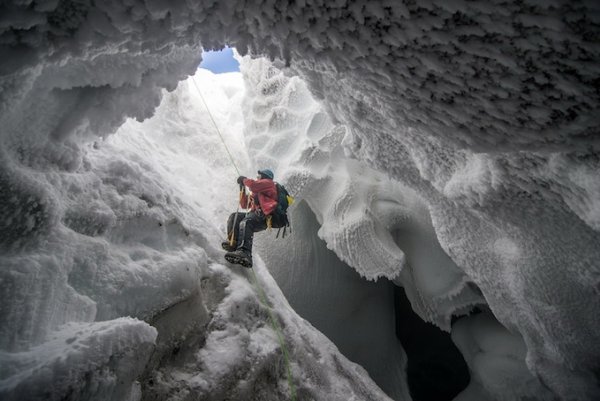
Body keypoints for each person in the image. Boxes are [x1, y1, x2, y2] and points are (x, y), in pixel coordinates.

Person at [222, 169, 278, 267]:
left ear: (264, 176)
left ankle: (245, 252)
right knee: (235, 217)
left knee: (246, 222)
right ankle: (233, 243)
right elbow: (244, 204)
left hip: (264, 216)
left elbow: (253, 185)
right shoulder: (258, 192)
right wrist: (242, 187)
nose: (257, 177)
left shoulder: (269, 183)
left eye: (259, 176)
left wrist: (244, 180)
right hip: (256, 214)